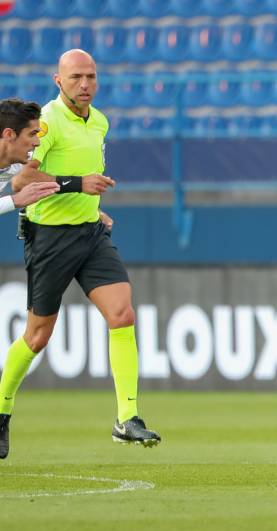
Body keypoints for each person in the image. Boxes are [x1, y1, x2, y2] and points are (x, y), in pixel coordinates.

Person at [0, 50, 160, 461]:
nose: (84, 84)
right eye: (76, 77)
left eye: (90, 76)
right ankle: (1, 412)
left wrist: (92, 207)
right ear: (58, 81)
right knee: (37, 337)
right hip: (50, 238)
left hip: (89, 234)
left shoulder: (100, 120)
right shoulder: (48, 122)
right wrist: (77, 185)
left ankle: (128, 417)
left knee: (122, 314)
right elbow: (25, 177)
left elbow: (85, 181)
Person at [0, 99, 60, 217]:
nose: (37, 143)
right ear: (9, 134)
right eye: (32, 134)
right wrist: (15, 200)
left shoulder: (16, 162)